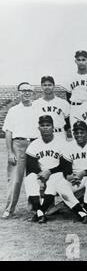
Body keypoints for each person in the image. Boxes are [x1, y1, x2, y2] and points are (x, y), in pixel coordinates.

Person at [23, 115, 87, 223]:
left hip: (57, 173)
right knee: (29, 179)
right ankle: (40, 212)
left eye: (48, 125)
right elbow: (30, 166)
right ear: (39, 127)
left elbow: (65, 165)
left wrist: (49, 172)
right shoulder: (34, 144)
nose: (45, 128)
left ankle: (40, 213)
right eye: (42, 125)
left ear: (53, 127)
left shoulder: (62, 142)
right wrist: (41, 175)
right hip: (40, 174)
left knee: (54, 180)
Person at [2, 82, 39, 219]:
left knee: (35, 177)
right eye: (23, 90)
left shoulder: (38, 108)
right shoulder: (13, 110)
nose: (27, 93)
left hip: (35, 144)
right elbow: (8, 132)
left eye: (29, 90)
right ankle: (9, 209)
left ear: (32, 92)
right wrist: (10, 152)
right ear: (19, 92)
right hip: (19, 144)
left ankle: (37, 209)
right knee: (15, 179)